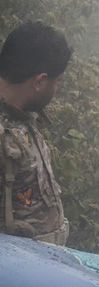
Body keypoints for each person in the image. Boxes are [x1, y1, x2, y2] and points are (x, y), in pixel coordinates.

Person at [0, 22, 72, 245]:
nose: (56, 90)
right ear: (39, 82)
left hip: (44, 264)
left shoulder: (23, 113)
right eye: (57, 82)